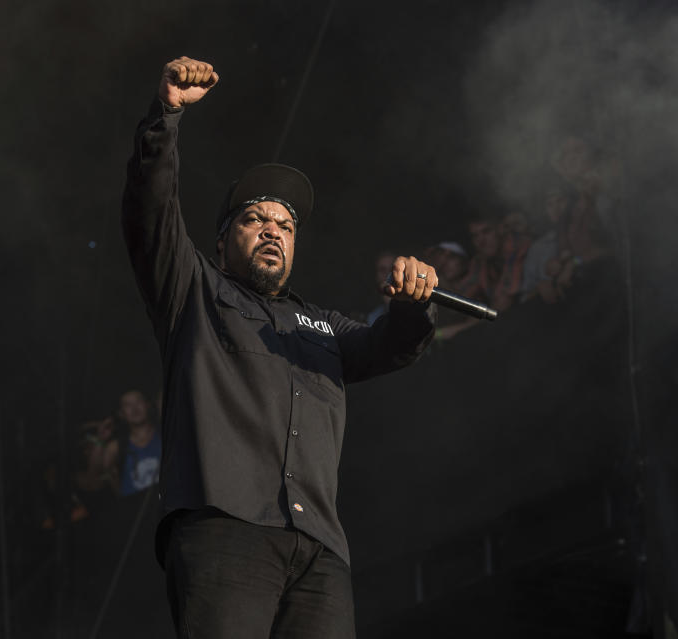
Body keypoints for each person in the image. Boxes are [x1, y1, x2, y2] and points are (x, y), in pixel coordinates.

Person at [121, 56, 439, 638]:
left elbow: (390, 347)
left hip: (318, 548)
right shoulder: (193, 290)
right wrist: (165, 117)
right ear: (222, 244)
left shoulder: (321, 327)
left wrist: (413, 305)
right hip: (224, 527)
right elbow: (150, 213)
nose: (273, 229)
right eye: (255, 219)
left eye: (286, 226)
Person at [117, 390, 162, 497]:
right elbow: (94, 478)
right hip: (136, 509)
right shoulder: (117, 446)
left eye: (138, 402)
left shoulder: (164, 434)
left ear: (148, 405)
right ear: (121, 413)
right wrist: (99, 441)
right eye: (128, 405)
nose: (134, 408)